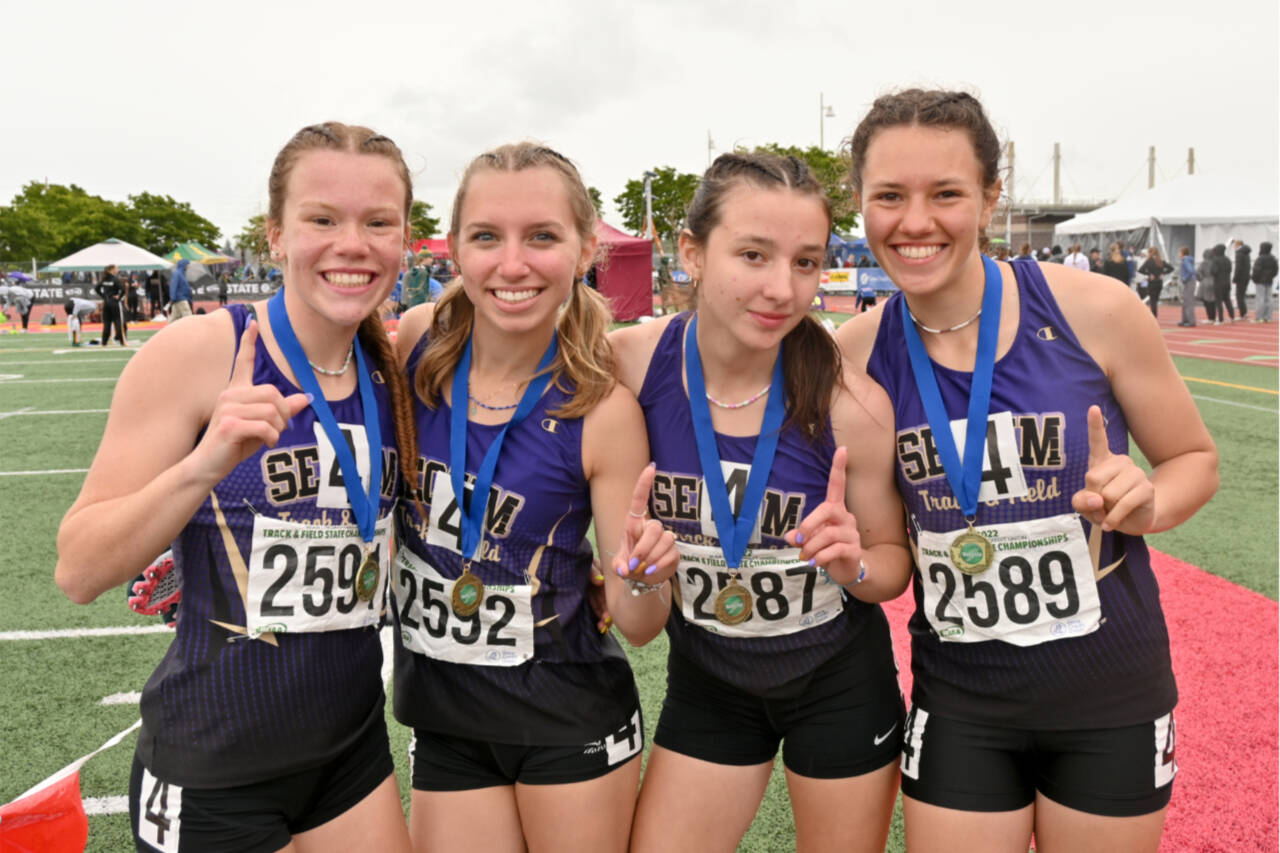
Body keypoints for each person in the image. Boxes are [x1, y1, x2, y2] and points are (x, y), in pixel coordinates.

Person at [835, 88, 1218, 853]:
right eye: (889, 196)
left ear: (990, 197)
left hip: (1111, 686)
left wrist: (1147, 503)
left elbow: (1192, 459)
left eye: (946, 193)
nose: (915, 221)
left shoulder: (1096, 311)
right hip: (962, 697)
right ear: (860, 205)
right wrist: (851, 560)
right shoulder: (853, 355)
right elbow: (887, 558)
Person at [54, 121, 423, 853]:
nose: (353, 244)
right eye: (322, 219)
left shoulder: (395, 361)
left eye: (378, 222)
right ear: (276, 235)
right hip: (213, 768)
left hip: (350, 754)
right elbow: (78, 568)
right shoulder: (202, 352)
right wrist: (202, 466)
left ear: (404, 238)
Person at [613, 152, 911, 853]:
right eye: (753, 254)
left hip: (838, 680)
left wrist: (853, 567)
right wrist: (640, 572)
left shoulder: (852, 405)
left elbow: (892, 565)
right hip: (710, 679)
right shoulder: (630, 364)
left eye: (806, 262)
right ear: (691, 252)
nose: (782, 287)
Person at [392, 142, 677, 853]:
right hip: (448, 718)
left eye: (542, 237)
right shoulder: (416, 345)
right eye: (487, 236)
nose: (512, 264)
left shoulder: (601, 409)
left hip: (567, 717)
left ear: (584, 250)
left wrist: (643, 574)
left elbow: (640, 624)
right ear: (454, 248)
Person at [1137, 246, 1174, 318]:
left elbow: (1140, 270)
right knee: (1155, 299)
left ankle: (1154, 315)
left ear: (1150, 253)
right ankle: (1154, 314)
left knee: (1152, 299)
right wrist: (1163, 273)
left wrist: (1148, 274)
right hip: (1159, 282)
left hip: (1152, 282)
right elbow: (1171, 268)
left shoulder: (1148, 261)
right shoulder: (1160, 261)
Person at [95, 263, 127, 346]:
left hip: (106, 303)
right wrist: (119, 297)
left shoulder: (104, 279)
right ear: (112, 269)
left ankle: (104, 342)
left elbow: (96, 288)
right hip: (114, 303)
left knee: (107, 323)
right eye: (117, 268)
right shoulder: (115, 279)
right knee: (118, 322)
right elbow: (123, 289)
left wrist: (104, 297)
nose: (118, 270)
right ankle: (122, 342)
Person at [1251, 241, 1276, 323]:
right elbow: (1275, 270)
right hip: (1269, 281)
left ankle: (1259, 317)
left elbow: (1256, 270)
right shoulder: (1273, 258)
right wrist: (1270, 276)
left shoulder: (1260, 258)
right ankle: (1268, 317)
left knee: (1260, 299)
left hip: (1260, 281)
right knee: (1269, 298)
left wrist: (1254, 279)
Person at [1211, 243, 1235, 322]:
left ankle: (1220, 318)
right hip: (1227, 282)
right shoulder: (1227, 259)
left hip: (1218, 283)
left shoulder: (1215, 260)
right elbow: (1230, 270)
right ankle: (1232, 316)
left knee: (1218, 301)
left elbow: (1214, 271)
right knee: (1227, 300)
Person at [1196, 248, 1219, 324]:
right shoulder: (1215, 262)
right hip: (1214, 282)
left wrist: (1201, 279)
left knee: (1207, 301)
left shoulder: (1203, 263)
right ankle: (1213, 317)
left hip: (1205, 282)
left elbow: (1198, 273)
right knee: (1213, 301)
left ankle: (1210, 318)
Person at [1176, 247, 1197, 326]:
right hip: (1189, 282)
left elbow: (1191, 271)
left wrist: (1185, 278)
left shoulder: (1186, 260)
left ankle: (1191, 321)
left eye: (1179, 252)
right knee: (1185, 302)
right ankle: (1185, 320)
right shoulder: (1186, 260)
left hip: (1189, 282)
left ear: (1183, 253)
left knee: (1188, 302)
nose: (1178, 254)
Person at [1233, 240, 1252, 321]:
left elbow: (1238, 267)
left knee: (1239, 296)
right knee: (1242, 295)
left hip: (1241, 277)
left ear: (1238, 245)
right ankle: (1244, 313)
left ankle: (1242, 314)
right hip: (1246, 276)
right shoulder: (1246, 253)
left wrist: (1235, 277)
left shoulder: (1239, 253)